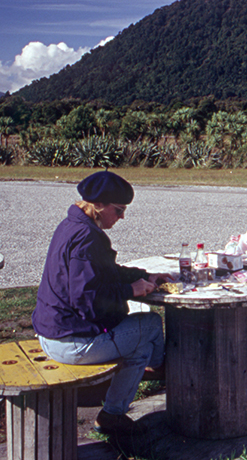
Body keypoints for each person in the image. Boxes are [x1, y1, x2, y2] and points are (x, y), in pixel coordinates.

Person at [32, 170, 169, 435]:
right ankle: (157, 376)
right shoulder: (87, 237)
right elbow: (86, 300)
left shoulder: (72, 226)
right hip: (70, 341)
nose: (121, 217)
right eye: (118, 210)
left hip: (52, 333)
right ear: (97, 205)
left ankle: (130, 390)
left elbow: (103, 272)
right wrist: (131, 289)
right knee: (151, 325)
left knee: (138, 346)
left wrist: (143, 276)